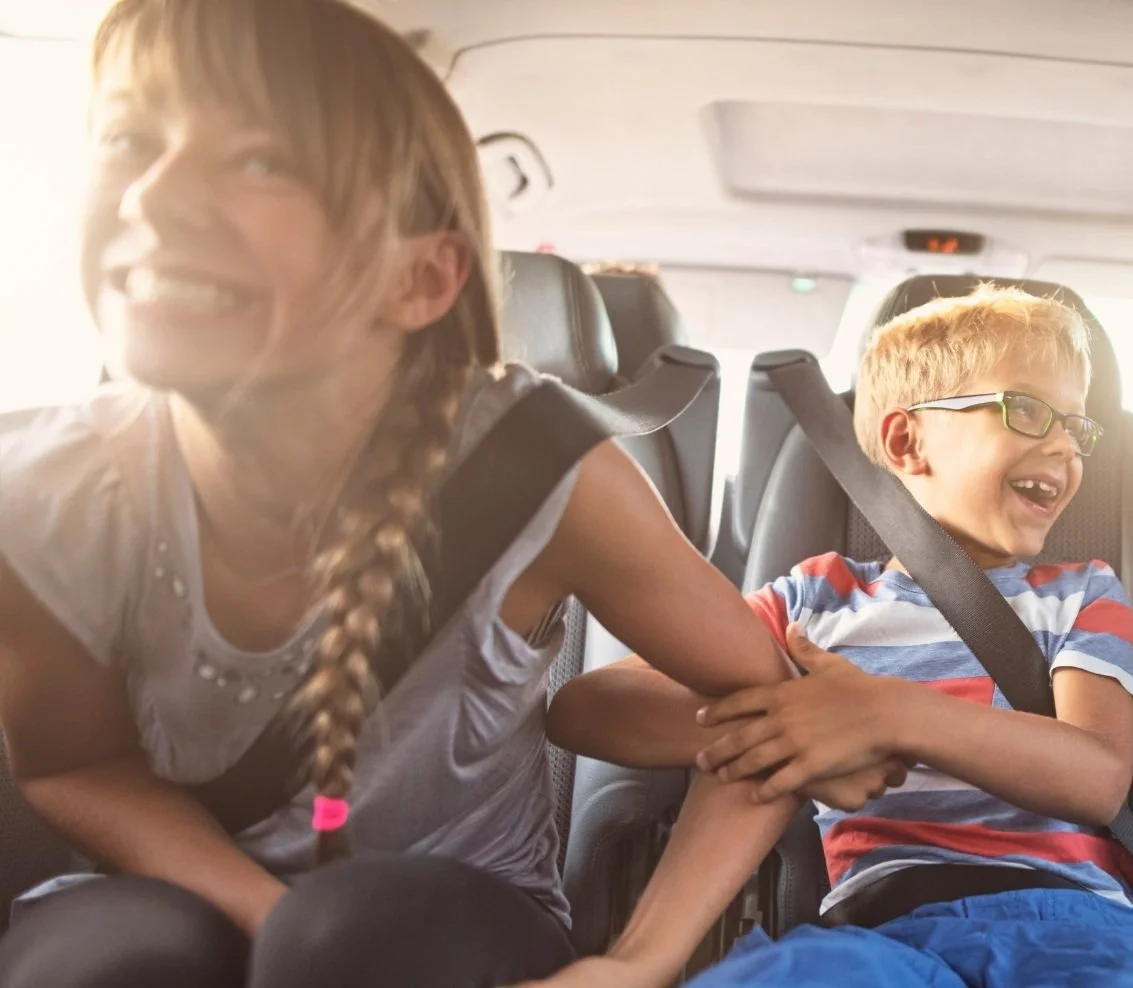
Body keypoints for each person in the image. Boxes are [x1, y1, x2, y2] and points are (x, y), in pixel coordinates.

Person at [0, 1, 898, 986]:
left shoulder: (535, 472)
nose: (155, 194)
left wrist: (637, 963)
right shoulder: (40, 490)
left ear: (420, 279)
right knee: (106, 965)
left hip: (455, 902)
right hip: (160, 884)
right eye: (130, 138)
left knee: (351, 937)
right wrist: (269, 914)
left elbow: (770, 710)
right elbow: (73, 764)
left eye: (259, 160)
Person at [531, 286, 1133, 987]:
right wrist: (780, 725)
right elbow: (586, 707)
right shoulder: (814, 601)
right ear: (906, 441)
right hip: (879, 934)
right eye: (1027, 411)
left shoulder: (1082, 594)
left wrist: (885, 713)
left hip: (1071, 927)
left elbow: (1097, 775)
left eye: (1077, 426)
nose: (1064, 443)